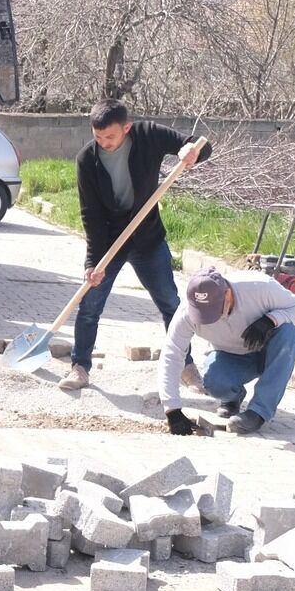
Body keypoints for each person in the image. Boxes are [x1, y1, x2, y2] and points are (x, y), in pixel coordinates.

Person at [62, 100, 209, 392]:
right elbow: (90, 215)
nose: (103, 143)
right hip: (109, 243)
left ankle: (185, 365)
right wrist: (93, 263)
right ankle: (80, 367)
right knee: (90, 305)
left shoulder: (147, 135)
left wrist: (190, 151)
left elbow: (197, 145)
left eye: (110, 137)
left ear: (126, 128)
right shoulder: (86, 160)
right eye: (98, 136)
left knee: (170, 303)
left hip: (148, 240)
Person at [159, 265, 295, 435]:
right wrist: (172, 410)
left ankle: (259, 412)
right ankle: (232, 399)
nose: (208, 318)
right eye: (202, 313)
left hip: (270, 352)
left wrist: (271, 320)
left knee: (288, 333)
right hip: (232, 358)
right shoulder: (186, 314)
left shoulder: (259, 287)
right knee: (215, 382)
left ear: (227, 294)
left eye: (212, 311)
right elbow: (171, 355)